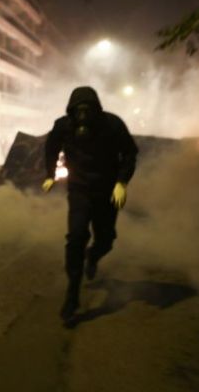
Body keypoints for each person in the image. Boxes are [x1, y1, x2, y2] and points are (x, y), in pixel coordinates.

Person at [42, 86, 138, 321]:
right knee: (76, 237)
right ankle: (72, 294)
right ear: (71, 111)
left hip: (107, 190)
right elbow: (51, 149)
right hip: (80, 189)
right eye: (79, 111)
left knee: (106, 239)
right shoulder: (63, 126)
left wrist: (121, 182)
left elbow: (130, 153)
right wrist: (50, 175)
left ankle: (93, 256)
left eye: (87, 110)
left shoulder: (112, 124)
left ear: (96, 110)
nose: (83, 116)